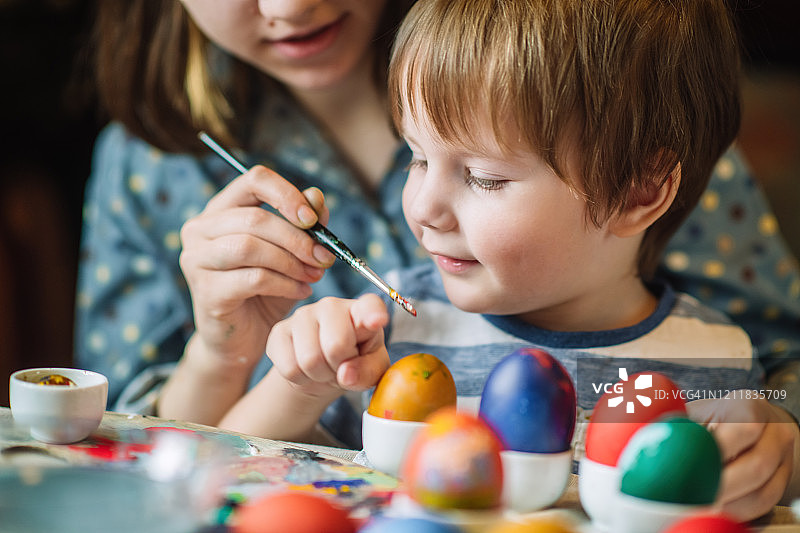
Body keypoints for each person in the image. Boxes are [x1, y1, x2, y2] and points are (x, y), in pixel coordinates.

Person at [75, 0, 800, 484]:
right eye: (414, 157)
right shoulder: (397, 333)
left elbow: (770, 406)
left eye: (483, 178)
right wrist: (293, 380)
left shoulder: (723, 360)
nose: (421, 206)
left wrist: (778, 441)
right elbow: (212, 466)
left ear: (642, 192)